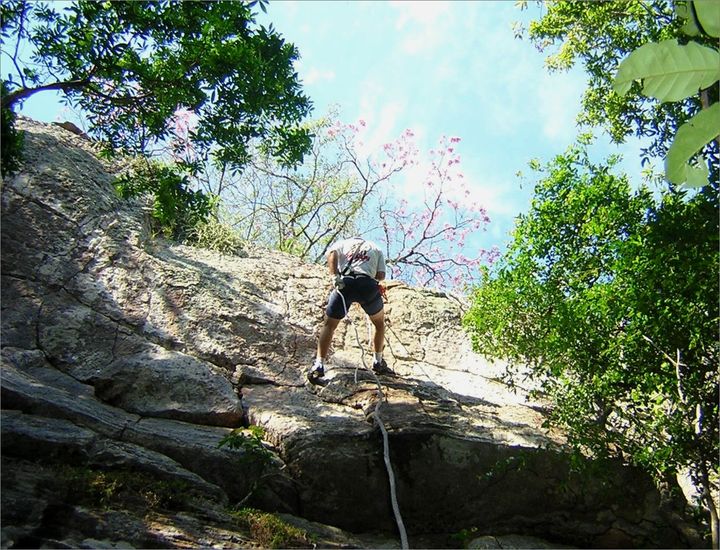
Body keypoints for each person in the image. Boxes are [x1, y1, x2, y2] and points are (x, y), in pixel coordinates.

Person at [309, 236, 393, 381]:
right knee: (379, 324)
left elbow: (332, 254)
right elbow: (380, 275)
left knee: (329, 325)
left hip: (345, 284)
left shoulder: (342, 243)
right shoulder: (376, 247)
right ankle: (377, 361)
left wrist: (334, 276)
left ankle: (319, 365)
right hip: (367, 286)